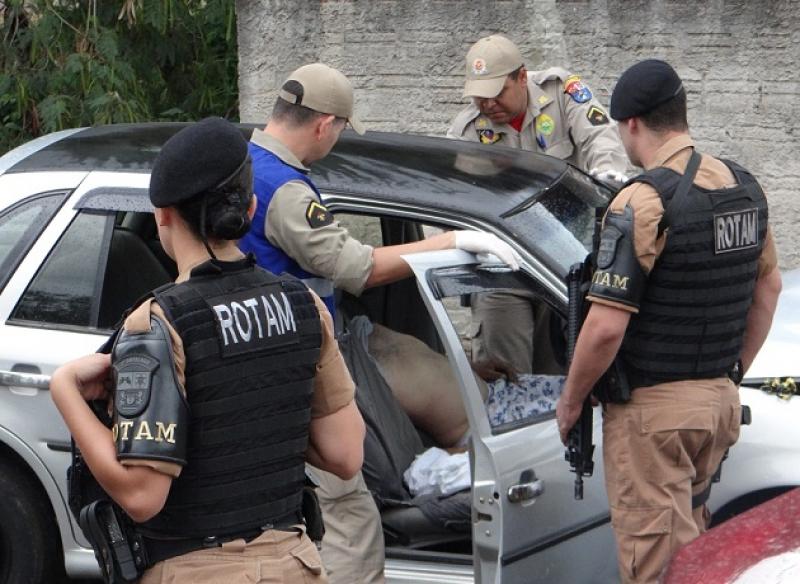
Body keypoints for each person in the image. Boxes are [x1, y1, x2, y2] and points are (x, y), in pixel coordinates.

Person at [238, 62, 521, 584]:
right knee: (351, 517)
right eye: (341, 130)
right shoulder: (288, 191)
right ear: (324, 124)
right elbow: (356, 269)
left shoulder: (245, 163)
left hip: (269, 352)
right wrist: (448, 244)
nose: (338, 141)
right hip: (294, 366)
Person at [51, 117, 366, 583]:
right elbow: (344, 455)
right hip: (296, 566)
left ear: (162, 214)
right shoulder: (304, 305)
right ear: (251, 206)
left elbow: (142, 496)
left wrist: (65, 393)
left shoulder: (160, 323)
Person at [555, 60, 782, 583]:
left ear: (631, 124)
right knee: (696, 556)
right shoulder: (744, 188)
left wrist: (571, 401)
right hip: (717, 406)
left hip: (653, 415)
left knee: (657, 567)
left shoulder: (643, 201)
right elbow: (766, 289)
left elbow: (606, 326)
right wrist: (730, 372)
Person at [447, 34, 633, 374]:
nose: (487, 105)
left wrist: (607, 178)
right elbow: (449, 201)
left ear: (521, 77)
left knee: (558, 372)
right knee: (507, 376)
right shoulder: (468, 131)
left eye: (496, 93)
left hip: (567, 262)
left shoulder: (562, 94)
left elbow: (602, 141)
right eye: (479, 96)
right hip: (503, 268)